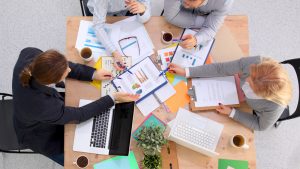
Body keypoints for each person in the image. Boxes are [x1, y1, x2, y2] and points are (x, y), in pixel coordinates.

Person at [12, 47, 139, 166]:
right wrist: (113, 98)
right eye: (65, 73)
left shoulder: (29, 54)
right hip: (42, 136)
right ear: (51, 82)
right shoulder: (42, 106)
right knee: (79, 161)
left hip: (37, 112)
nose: (69, 70)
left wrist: (92, 74)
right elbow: (79, 115)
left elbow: (61, 65)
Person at [168, 56, 292, 131]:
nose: (246, 79)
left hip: (249, 108)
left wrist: (232, 113)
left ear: (264, 96)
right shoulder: (256, 62)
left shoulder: (275, 106)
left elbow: (261, 126)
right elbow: (220, 69)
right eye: (250, 75)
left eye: (251, 86)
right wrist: (187, 71)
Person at [87, 0, 151, 70]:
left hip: (124, 12)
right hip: (103, 12)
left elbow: (145, 17)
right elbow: (98, 26)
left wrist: (143, 11)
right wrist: (114, 52)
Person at [163, 0, 234, 49]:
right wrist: (206, 21)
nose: (186, 4)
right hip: (179, 10)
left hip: (204, 15)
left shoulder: (224, 2)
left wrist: (196, 40)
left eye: (191, 1)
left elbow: (211, 28)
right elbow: (171, 16)